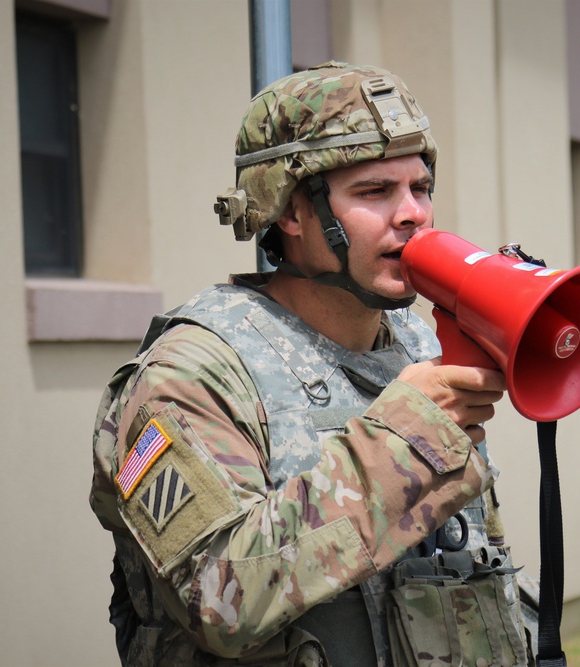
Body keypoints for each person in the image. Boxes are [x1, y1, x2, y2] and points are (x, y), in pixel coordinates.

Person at [89, 62, 531, 666]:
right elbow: (219, 597)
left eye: (420, 187)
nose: (414, 214)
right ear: (291, 212)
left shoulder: (415, 346)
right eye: (375, 192)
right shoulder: (190, 374)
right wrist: (407, 444)